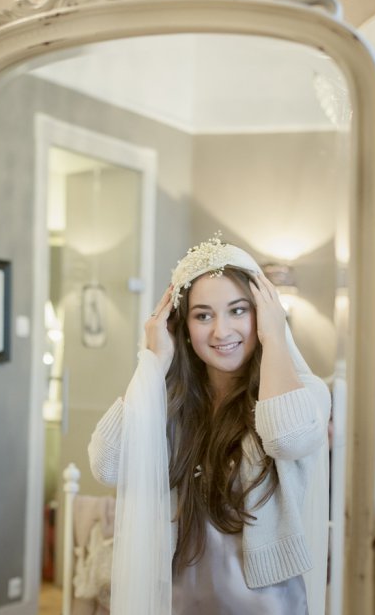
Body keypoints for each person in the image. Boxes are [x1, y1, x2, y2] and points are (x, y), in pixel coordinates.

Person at [88, 236, 330, 615]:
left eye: (238, 311)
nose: (221, 331)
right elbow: (107, 465)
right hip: (179, 602)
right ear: (181, 326)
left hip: (264, 605)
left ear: (261, 312)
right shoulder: (171, 402)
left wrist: (274, 336)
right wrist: (153, 361)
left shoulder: (308, 392)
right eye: (203, 315)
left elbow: (289, 438)